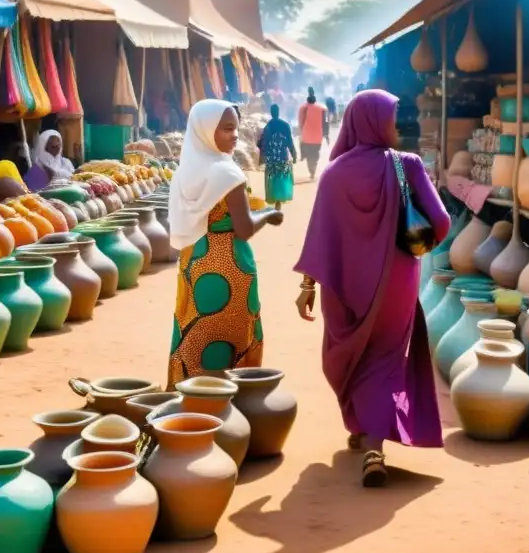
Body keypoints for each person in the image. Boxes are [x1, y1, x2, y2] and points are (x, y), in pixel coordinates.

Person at [294, 90, 450, 487]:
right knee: (385, 358)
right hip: (395, 283)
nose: (394, 127)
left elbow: (319, 238)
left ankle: (372, 443)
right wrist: (414, 250)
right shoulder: (407, 166)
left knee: (348, 354)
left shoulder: (333, 174)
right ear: (373, 122)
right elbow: (441, 221)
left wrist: (308, 286)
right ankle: (370, 430)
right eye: (390, 118)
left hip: (343, 287)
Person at [167, 99, 284, 387]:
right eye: (227, 129)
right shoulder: (227, 173)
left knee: (196, 329)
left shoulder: (185, 171)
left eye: (236, 128)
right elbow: (243, 228)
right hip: (230, 265)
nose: (234, 135)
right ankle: (231, 401)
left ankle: (190, 396)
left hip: (194, 262)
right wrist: (268, 213)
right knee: (232, 333)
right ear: (206, 131)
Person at [257, 104, 297, 209]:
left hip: (271, 158)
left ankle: (276, 199)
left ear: (271, 112)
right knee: (281, 177)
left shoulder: (268, 126)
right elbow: (290, 142)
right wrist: (294, 154)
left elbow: (263, 144)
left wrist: (261, 157)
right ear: (278, 112)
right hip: (283, 156)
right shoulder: (285, 125)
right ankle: (279, 198)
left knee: (272, 178)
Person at [298, 87, 329, 180]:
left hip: (306, 137)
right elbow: (326, 122)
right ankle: (313, 169)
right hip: (317, 137)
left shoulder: (303, 108)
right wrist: (327, 135)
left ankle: (310, 166)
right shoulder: (323, 108)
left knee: (308, 153)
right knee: (315, 154)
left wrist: (301, 133)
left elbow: (300, 122)